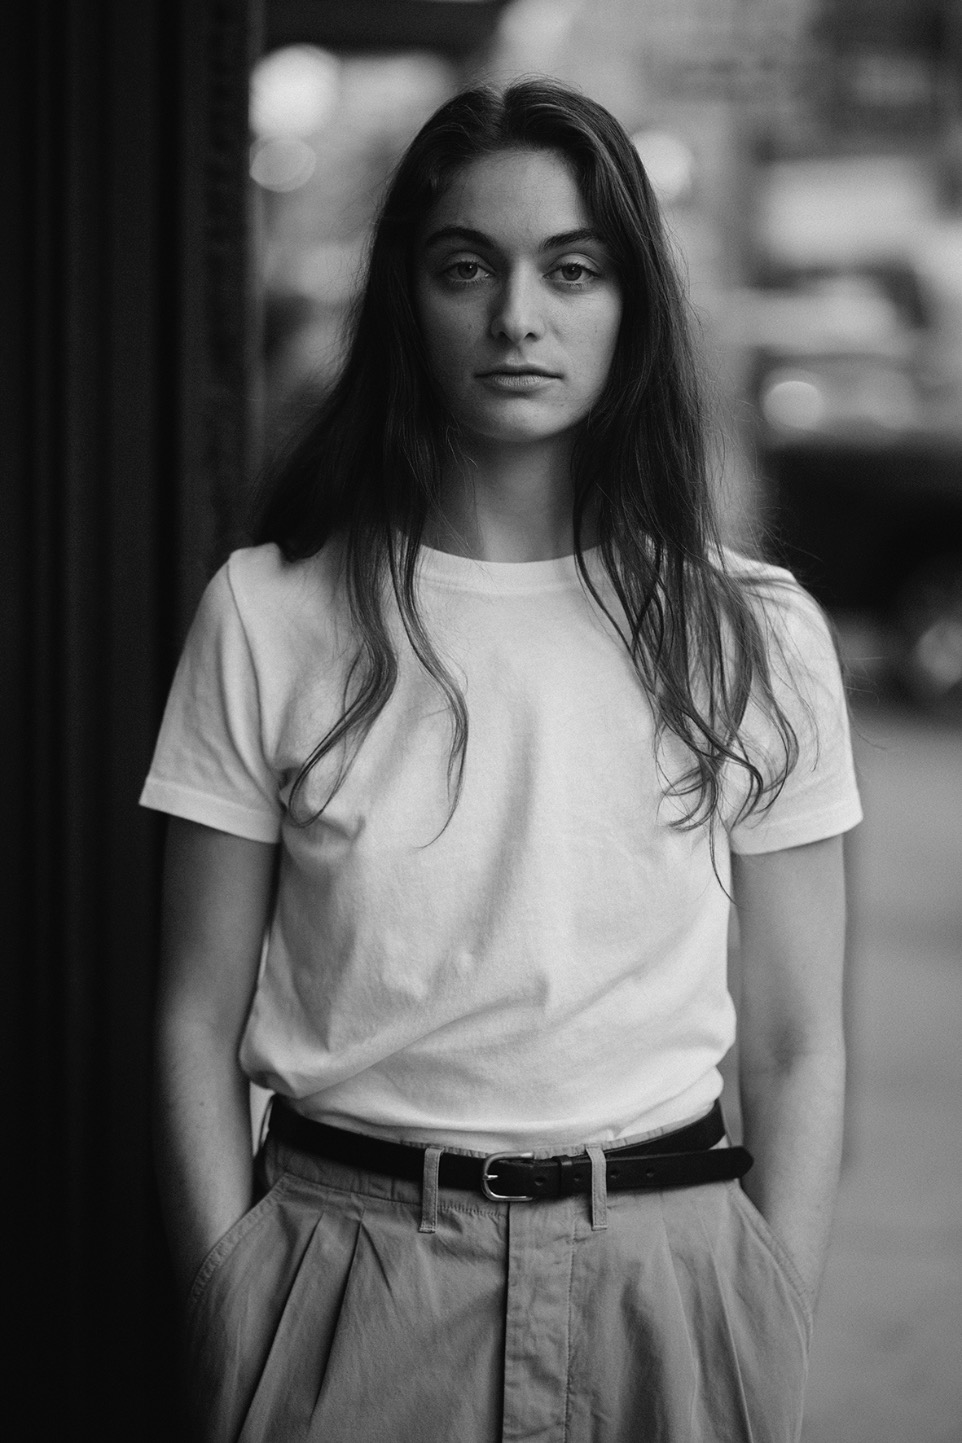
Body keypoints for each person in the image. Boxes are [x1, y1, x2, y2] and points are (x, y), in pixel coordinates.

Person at [142, 79, 862, 1443]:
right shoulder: (272, 610)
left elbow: (794, 1036)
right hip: (349, 1271)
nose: (516, 316)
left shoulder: (753, 633)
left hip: (668, 1274)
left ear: (631, 302)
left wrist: (766, 1304)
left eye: (571, 268)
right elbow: (191, 1015)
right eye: (465, 265)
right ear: (407, 297)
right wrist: (230, 1299)